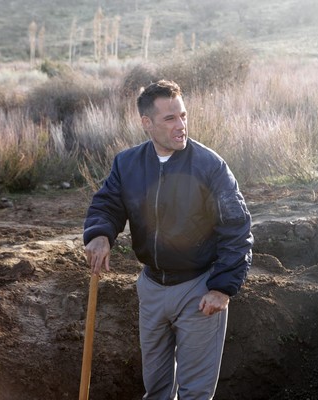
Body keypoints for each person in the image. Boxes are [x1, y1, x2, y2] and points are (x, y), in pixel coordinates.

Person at [83, 80, 253, 399]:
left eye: (184, 116)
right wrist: (100, 234)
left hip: (198, 289)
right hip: (151, 288)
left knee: (194, 393)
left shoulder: (210, 166)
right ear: (147, 123)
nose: (181, 126)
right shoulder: (127, 164)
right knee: (157, 390)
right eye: (170, 118)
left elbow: (237, 228)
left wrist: (222, 288)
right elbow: (107, 203)